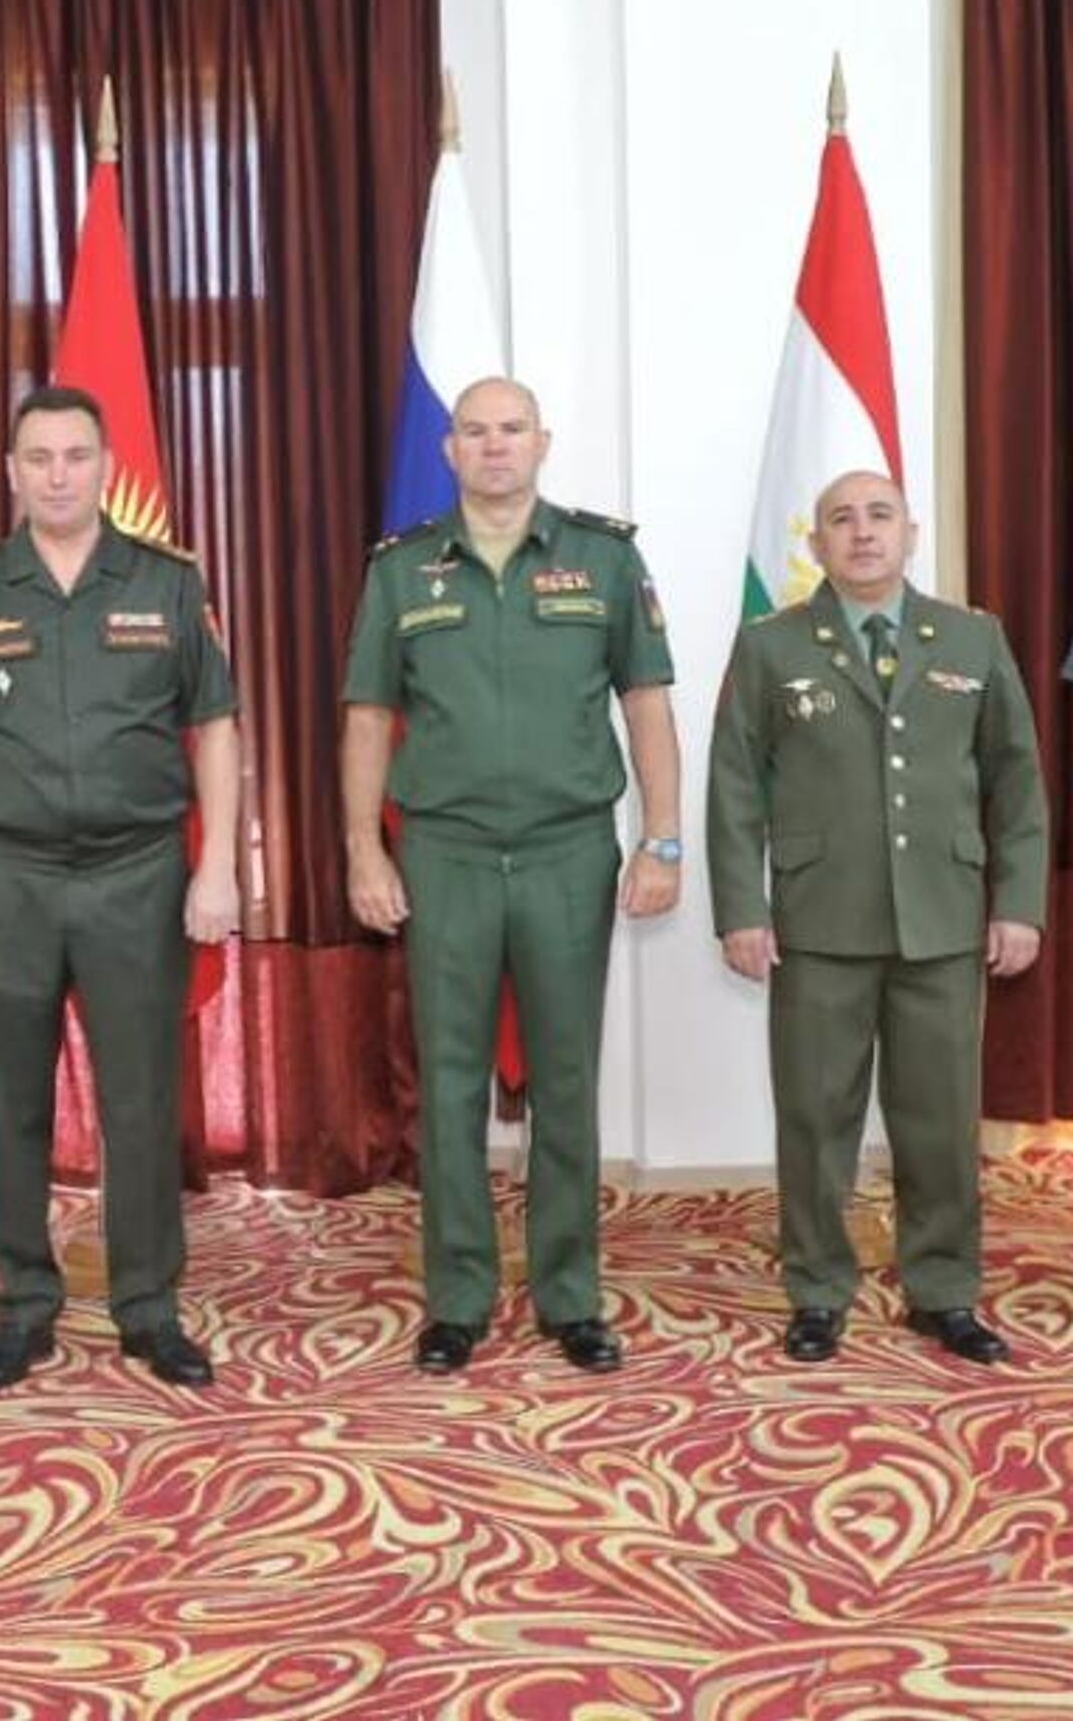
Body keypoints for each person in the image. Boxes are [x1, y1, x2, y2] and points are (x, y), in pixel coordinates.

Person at [0, 384, 241, 1391]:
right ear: (12, 471)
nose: (58, 475)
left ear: (105, 466)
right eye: (39, 458)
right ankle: (23, 1306)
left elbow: (215, 727)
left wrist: (219, 863)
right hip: (8, 873)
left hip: (138, 872)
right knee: (10, 1098)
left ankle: (148, 1306)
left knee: (141, 1098)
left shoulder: (169, 582)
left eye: (76, 456)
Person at [341, 376, 680, 1375]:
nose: (494, 446)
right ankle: (457, 1298)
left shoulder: (605, 558)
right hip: (443, 853)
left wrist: (662, 839)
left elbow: (646, 702)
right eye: (476, 432)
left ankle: (571, 1296)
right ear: (450, 451)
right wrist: (363, 848)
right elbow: (367, 716)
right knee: (449, 1082)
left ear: (542, 442)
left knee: (566, 1079)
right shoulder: (402, 569)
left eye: (512, 429)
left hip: (568, 850)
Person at [707, 469, 1047, 1365]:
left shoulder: (972, 638)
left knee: (939, 1120)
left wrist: (1018, 902)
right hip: (819, 921)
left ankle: (944, 1290)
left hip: (943, 917)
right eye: (842, 519)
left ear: (911, 532)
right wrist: (741, 908)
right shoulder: (772, 645)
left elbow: (1017, 777)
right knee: (816, 1118)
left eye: (880, 516)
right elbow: (734, 781)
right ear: (817, 542)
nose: (863, 533)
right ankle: (818, 1289)